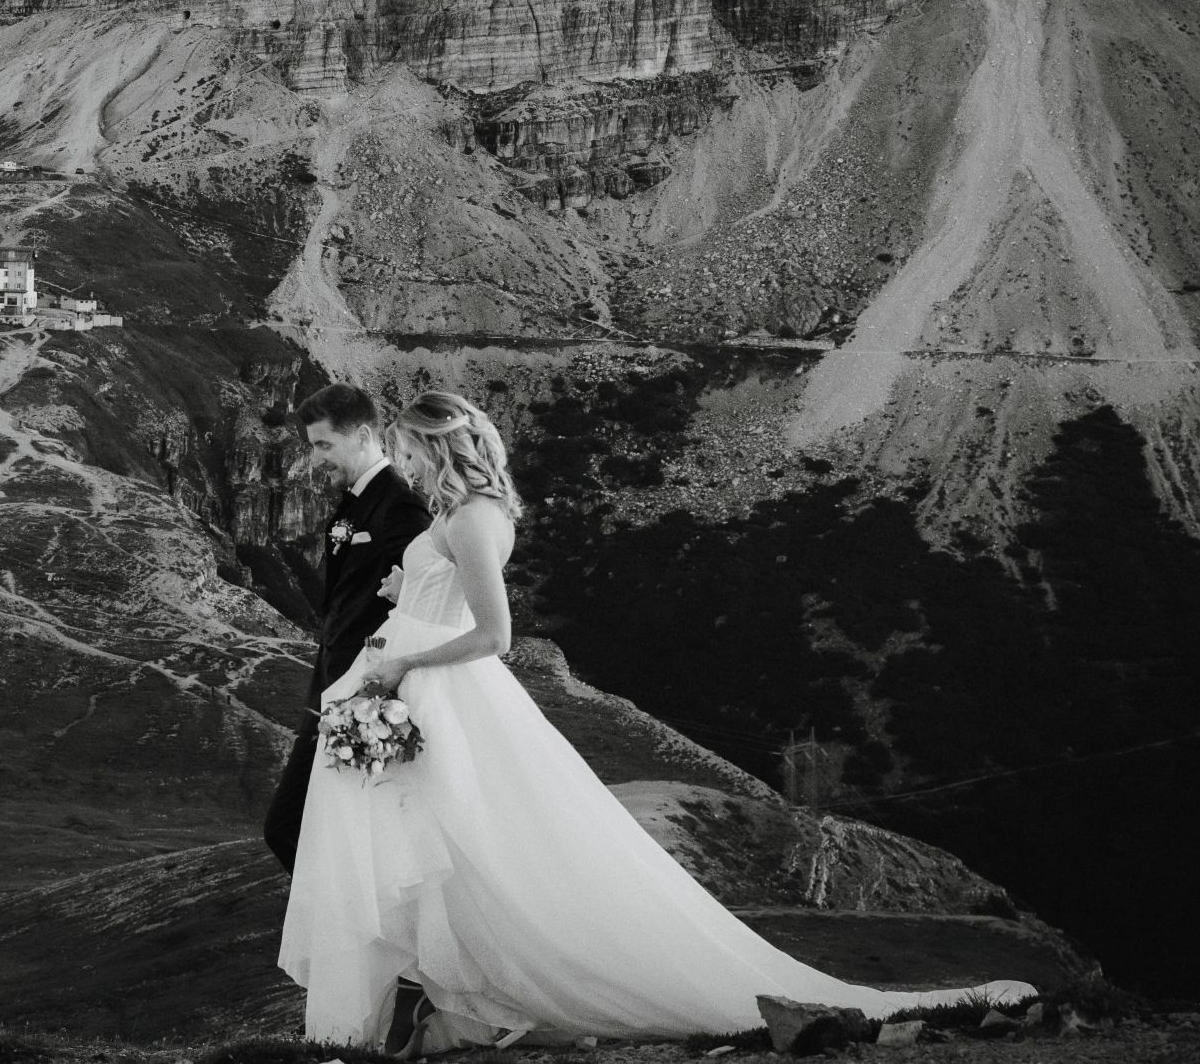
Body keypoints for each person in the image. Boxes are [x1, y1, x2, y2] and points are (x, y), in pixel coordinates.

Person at [276, 391, 1038, 1051]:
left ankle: (449, 1005)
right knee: (437, 850)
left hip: (434, 686)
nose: (402, 465)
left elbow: (496, 637)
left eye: (409, 451)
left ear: (439, 449)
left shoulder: (474, 521)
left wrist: (403, 664)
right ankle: (449, 1002)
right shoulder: (462, 512)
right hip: (409, 683)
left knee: (451, 848)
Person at [262, 382, 436, 873]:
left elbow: (419, 599)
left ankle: (340, 937)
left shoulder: (399, 504)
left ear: (362, 435)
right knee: (312, 829)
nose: (315, 459)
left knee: (289, 827)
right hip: (331, 685)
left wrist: (374, 693)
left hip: (359, 691)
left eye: (323, 445)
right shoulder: (356, 503)